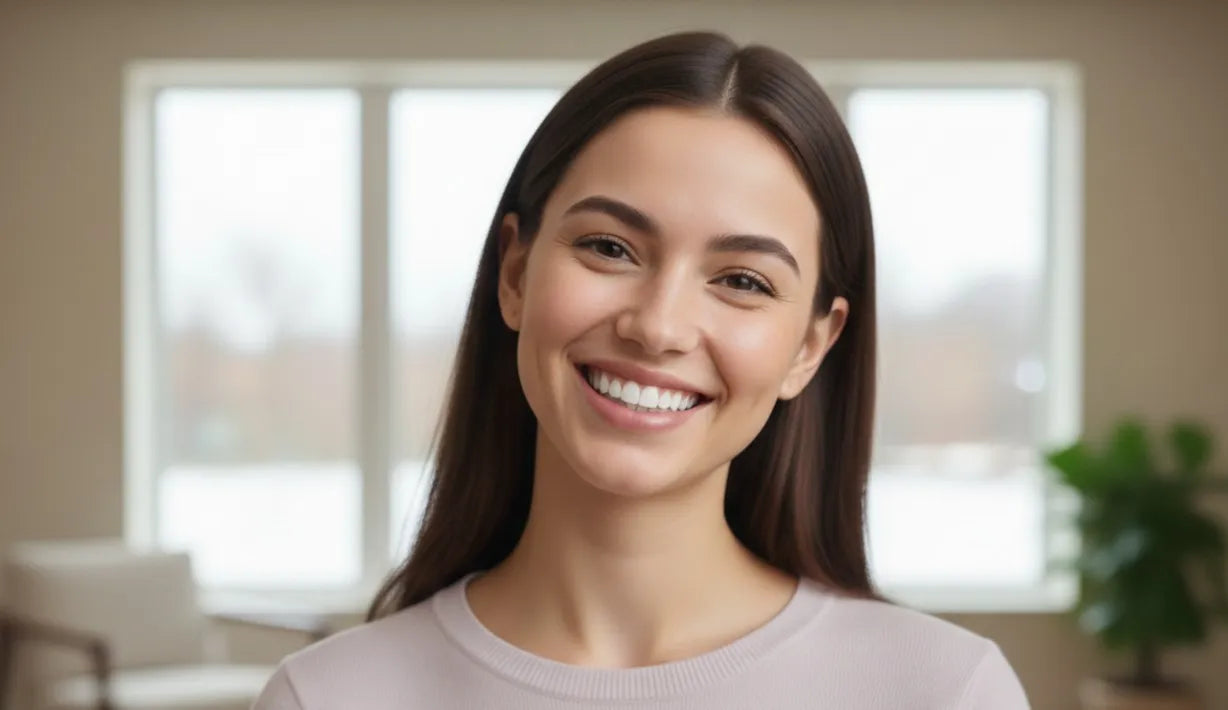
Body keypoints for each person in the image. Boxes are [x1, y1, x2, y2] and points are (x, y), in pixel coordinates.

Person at [253, 31, 1031, 709]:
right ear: (516, 273)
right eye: (610, 248)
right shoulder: (325, 697)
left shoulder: (944, 692)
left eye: (742, 281)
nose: (657, 326)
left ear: (810, 348)